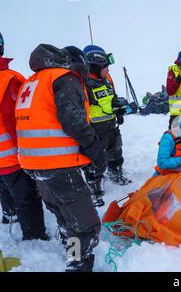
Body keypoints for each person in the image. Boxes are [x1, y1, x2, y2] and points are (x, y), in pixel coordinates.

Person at [16, 44, 106, 272]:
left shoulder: (34, 81)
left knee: (63, 212)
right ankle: (77, 260)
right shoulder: (65, 78)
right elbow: (73, 120)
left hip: (35, 164)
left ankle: (69, 243)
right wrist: (95, 149)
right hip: (58, 165)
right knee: (85, 226)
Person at [0, 33, 47, 240]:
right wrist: (28, 152)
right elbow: (15, 120)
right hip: (12, 155)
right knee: (27, 197)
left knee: (6, 191)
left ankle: (10, 217)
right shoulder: (10, 79)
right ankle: (34, 237)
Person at [82, 45, 130, 204]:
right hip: (94, 128)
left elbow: (113, 97)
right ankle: (94, 187)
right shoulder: (83, 83)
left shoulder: (107, 79)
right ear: (94, 66)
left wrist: (119, 109)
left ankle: (115, 172)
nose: (108, 70)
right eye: (105, 67)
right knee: (95, 159)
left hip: (111, 124)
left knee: (116, 150)